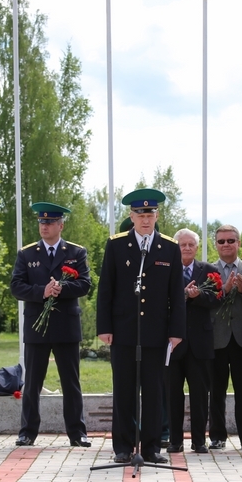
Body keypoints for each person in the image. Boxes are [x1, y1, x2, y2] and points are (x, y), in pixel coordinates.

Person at [96, 188, 186, 464]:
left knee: (154, 391)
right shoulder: (117, 244)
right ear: (131, 216)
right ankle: (122, 447)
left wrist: (176, 331)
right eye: (139, 214)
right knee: (123, 390)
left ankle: (150, 448)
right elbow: (106, 289)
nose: (145, 219)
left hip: (156, 333)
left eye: (150, 214)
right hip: (124, 331)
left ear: (157, 215)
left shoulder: (169, 247)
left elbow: (176, 294)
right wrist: (104, 326)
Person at [10, 202, 92, 448]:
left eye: (49, 222)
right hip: (37, 325)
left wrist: (62, 288)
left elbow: (86, 284)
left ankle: (77, 433)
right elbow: (16, 287)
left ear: (60, 225)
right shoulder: (27, 253)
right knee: (33, 381)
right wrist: (41, 292)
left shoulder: (76, 252)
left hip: (66, 326)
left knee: (71, 382)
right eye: (41, 222)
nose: (44, 226)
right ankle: (27, 432)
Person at [166, 228, 221, 454]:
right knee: (172, 395)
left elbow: (218, 298)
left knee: (199, 395)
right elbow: (159, 301)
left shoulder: (208, 270)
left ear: (197, 248)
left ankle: (199, 441)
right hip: (173, 342)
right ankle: (174, 440)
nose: (187, 248)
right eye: (182, 244)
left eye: (191, 245)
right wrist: (183, 294)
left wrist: (199, 296)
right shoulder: (166, 269)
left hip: (200, 343)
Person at [208, 225, 242, 451]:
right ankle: (217, 437)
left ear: (238, 243)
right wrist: (225, 291)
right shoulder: (207, 270)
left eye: (230, 240)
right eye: (221, 241)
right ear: (215, 245)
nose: (226, 245)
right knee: (216, 390)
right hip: (216, 337)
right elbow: (207, 303)